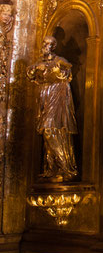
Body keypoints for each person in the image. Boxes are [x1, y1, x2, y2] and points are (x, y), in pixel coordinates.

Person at [27, 36, 78, 183]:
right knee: (46, 133)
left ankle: (66, 167)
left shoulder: (58, 60)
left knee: (51, 131)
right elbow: (30, 74)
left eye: (48, 44)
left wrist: (51, 68)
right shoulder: (40, 62)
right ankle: (51, 168)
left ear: (53, 46)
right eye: (44, 44)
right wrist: (36, 68)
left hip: (57, 100)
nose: (45, 46)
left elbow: (67, 68)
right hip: (45, 99)